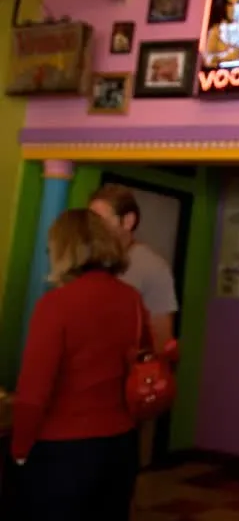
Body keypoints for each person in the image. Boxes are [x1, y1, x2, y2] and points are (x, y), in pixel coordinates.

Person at [12, 208, 150, 521]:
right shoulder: (132, 300)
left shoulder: (55, 304)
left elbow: (34, 392)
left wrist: (20, 450)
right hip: (121, 445)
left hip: (64, 451)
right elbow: (142, 360)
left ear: (63, 250)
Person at [89, 184, 177, 353]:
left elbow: (161, 340)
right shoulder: (87, 259)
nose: (93, 230)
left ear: (128, 221)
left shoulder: (154, 268)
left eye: (101, 221)